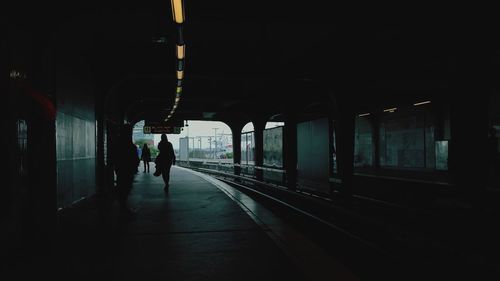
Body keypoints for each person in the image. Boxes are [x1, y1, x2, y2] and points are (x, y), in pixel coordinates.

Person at [115, 124, 140, 215]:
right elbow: (134, 158)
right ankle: (123, 207)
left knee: (122, 186)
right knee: (126, 187)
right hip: (128, 169)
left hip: (120, 169)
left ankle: (123, 206)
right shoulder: (130, 145)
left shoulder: (118, 143)